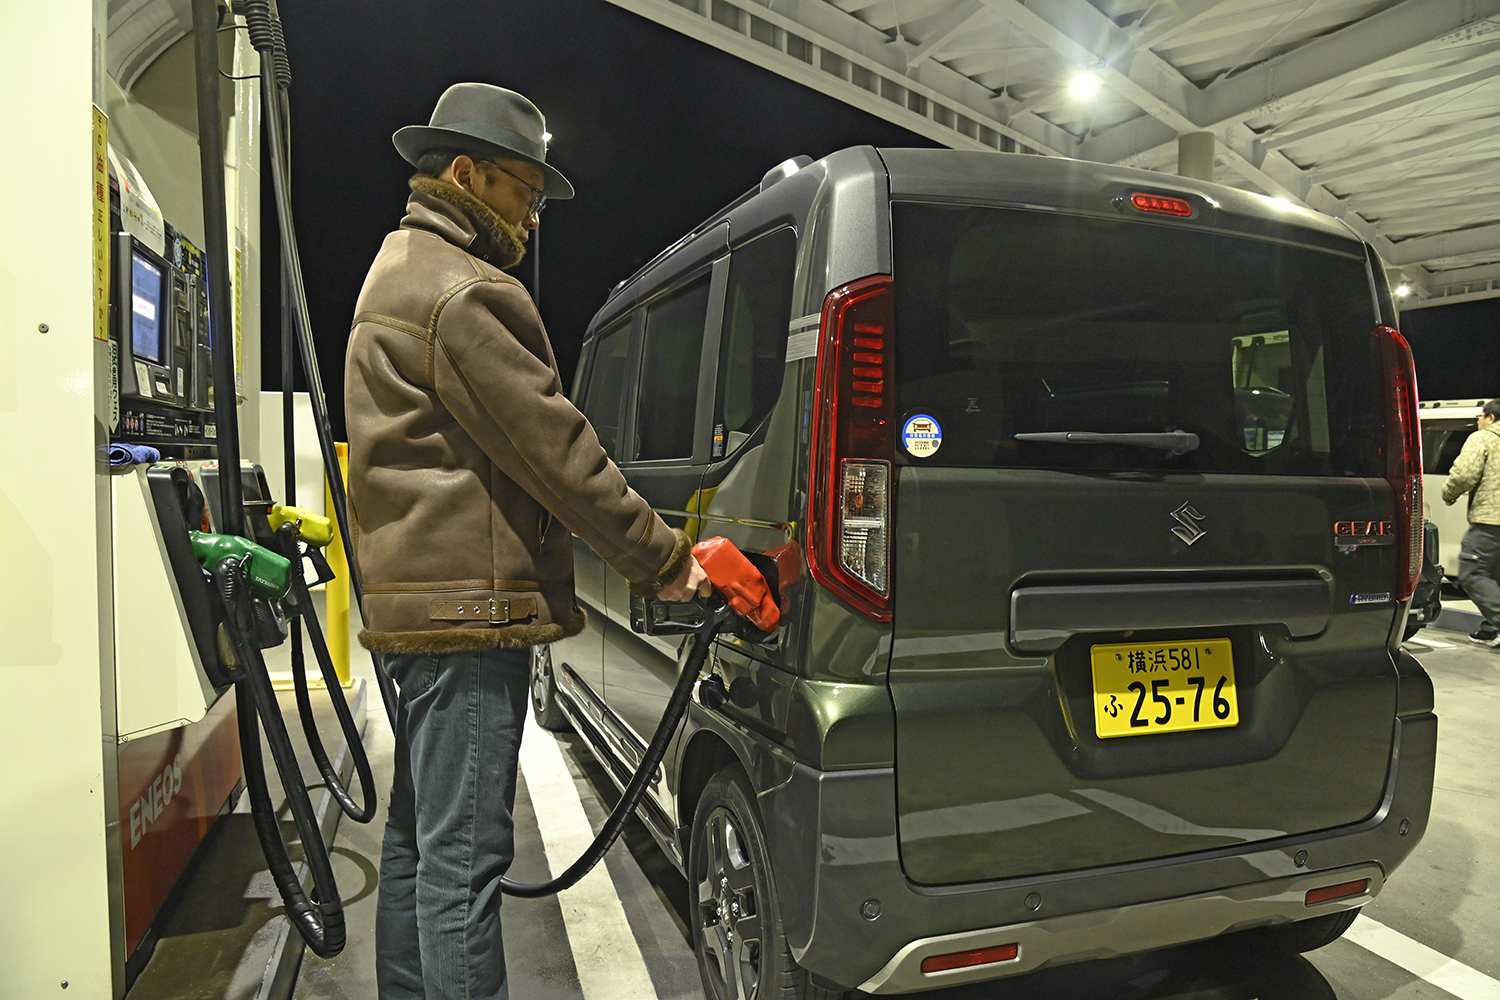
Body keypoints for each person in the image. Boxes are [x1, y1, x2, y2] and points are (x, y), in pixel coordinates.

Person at [343, 83, 710, 1000]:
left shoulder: (398, 265)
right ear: (464, 172)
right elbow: (558, 451)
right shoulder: (465, 291)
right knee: (465, 865)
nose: (535, 216)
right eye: (524, 191)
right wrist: (667, 560)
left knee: (421, 848)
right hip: (470, 614)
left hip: (412, 609)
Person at [1442, 398, 1500, 646]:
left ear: (1491, 418)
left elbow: (1464, 474)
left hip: (1490, 521)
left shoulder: (1483, 438)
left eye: (1480, 416)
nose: (1478, 421)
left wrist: (1449, 493)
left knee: (1472, 572)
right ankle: (1490, 628)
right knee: (1495, 574)